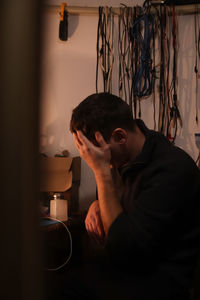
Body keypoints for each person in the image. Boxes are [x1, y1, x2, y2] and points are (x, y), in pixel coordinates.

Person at [67, 92, 200, 300]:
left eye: (98, 154)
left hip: (158, 282)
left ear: (120, 136)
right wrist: (97, 202)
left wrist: (101, 173)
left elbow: (125, 251)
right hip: (127, 270)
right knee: (62, 280)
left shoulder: (172, 169)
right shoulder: (125, 158)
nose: (99, 161)